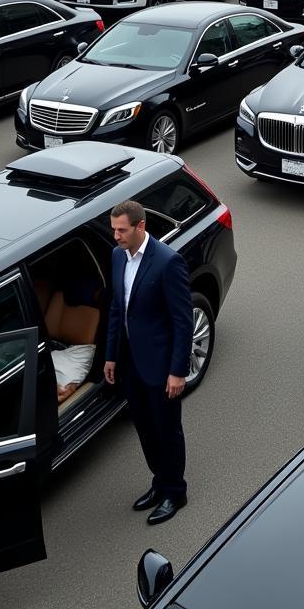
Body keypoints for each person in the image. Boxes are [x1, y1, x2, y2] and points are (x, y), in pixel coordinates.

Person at [103, 200, 193, 526]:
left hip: (161, 366)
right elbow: (117, 308)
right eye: (113, 229)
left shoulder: (169, 262)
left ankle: (175, 491)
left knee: (166, 429)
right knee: (144, 428)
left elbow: (182, 322)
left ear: (140, 227)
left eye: (122, 230)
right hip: (130, 363)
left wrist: (177, 371)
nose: (116, 236)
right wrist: (111, 355)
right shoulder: (116, 256)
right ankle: (159, 482)